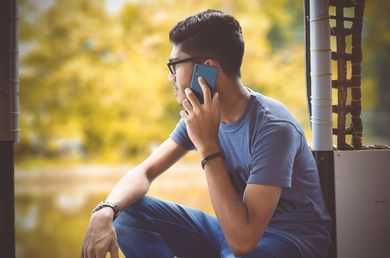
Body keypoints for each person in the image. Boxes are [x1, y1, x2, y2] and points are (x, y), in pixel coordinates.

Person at [81, 9, 331, 258]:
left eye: (174, 66)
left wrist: (208, 146)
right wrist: (105, 211)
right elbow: (145, 171)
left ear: (208, 68)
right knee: (127, 215)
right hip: (229, 231)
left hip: (289, 241)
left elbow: (244, 243)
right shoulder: (203, 114)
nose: (170, 78)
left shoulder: (273, 127)